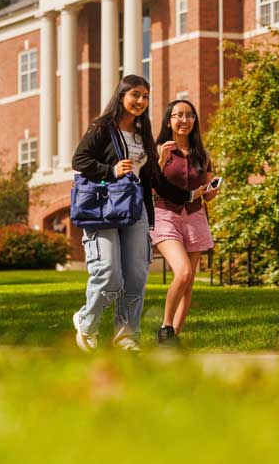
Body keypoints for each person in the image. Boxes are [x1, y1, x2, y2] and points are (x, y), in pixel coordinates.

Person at [71, 75, 192, 351]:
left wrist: (187, 196)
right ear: (122, 96)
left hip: (136, 209)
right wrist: (111, 171)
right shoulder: (102, 128)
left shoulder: (142, 133)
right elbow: (79, 160)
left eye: (146, 96)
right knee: (109, 273)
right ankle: (86, 322)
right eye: (135, 95)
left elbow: (153, 177)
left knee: (136, 277)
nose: (141, 101)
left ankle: (126, 336)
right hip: (104, 209)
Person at [151, 99, 218, 347]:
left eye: (189, 116)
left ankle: (173, 339)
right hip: (165, 214)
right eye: (178, 115)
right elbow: (149, 183)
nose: (184, 120)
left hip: (195, 216)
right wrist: (160, 159)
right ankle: (165, 328)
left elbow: (208, 192)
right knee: (184, 271)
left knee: (188, 284)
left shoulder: (203, 154)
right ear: (169, 120)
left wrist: (212, 190)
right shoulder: (159, 149)